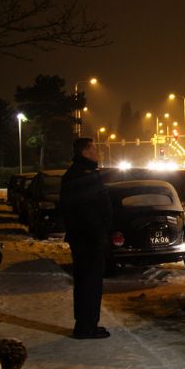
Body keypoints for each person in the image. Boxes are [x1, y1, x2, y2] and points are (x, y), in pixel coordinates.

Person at [60, 137, 113, 339]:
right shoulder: (83, 175)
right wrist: (99, 234)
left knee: (86, 282)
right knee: (90, 282)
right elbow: (88, 210)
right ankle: (86, 326)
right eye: (93, 148)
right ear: (84, 152)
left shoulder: (76, 174)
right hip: (89, 239)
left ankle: (87, 323)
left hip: (85, 237)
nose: (97, 151)